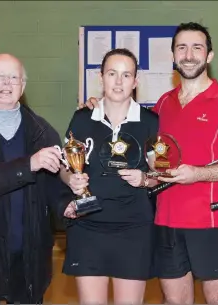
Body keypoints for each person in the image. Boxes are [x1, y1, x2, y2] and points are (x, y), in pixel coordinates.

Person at [81, 22, 218, 304]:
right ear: (173, 56)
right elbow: (146, 154)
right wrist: (98, 105)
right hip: (165, 223)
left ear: (209, 56)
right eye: (182, 48)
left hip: (212, 222)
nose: (189, 55)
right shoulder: (161, 105)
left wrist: (199, 174)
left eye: (197, 47)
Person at [60, 48, 159, 305]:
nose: (118, 81)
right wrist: (70, 178)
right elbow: (65, 165)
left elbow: (162, 173)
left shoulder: (151, 122)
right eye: (112, 73)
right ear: (101, 77)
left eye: (126, 75)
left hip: (134, 227)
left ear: (136, 81)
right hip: (88, 225)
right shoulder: (82, 118)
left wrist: (145, 179)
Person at [0, 53, 64, 304]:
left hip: (30, 259)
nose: (7, 83)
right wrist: (28, 164)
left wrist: (68, 206)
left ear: (22, 87)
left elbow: (54, 186)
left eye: (14, 78)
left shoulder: (43, 132)